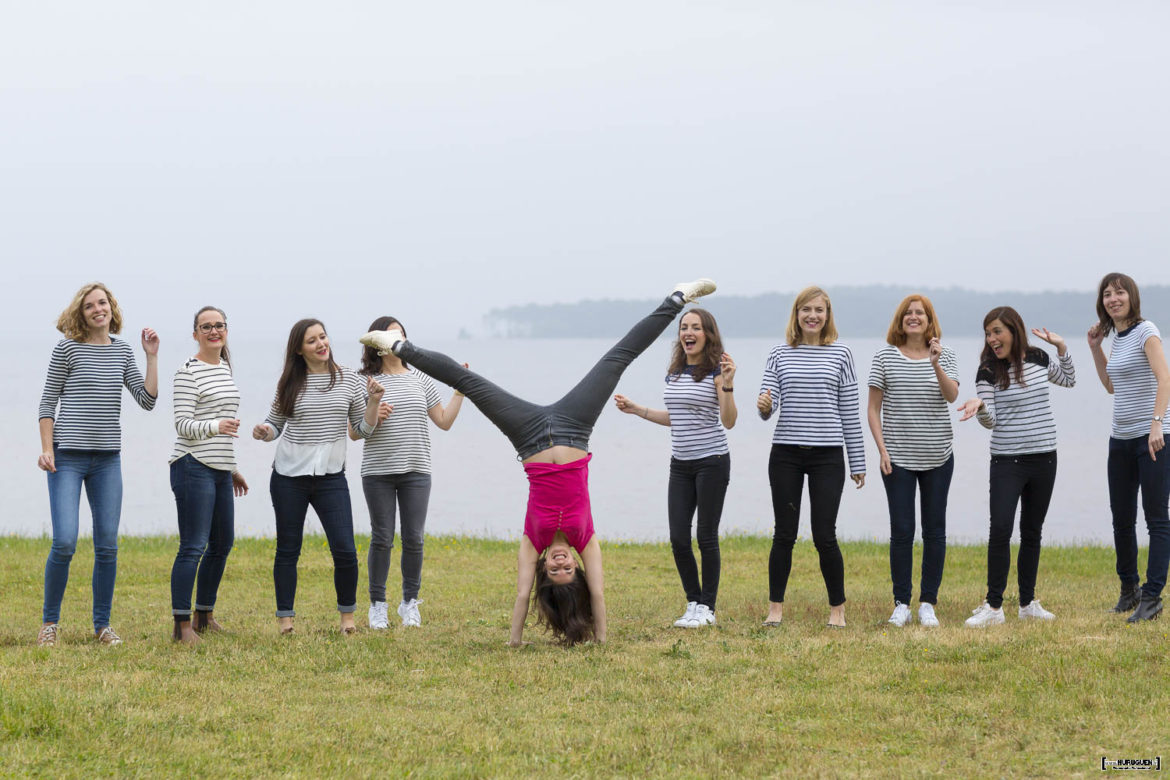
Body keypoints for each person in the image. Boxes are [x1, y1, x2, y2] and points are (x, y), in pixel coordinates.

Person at [360, 279, 716, 646]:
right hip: (576, 426)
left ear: (543, 570)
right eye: (567, 569)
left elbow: (519, 596)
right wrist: (601, 640)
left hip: (527, 434)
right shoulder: (586, 539)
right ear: (576, 569)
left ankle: (399, 346)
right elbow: (598, 595)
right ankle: (677, 298)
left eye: (554, 570)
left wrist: (515, 641)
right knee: (618, 357)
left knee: (468, 380)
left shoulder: (533, 542)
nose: (561, 562)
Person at [36, 282, 159, 647]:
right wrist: (48, 450)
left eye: (102, 303)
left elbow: (147, 400)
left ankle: (102, 626)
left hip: (107, 460)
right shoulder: (67, 349)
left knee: (107, 544)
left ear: (111, 308)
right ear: (81, 313)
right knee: (64, 542)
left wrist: (151, 356)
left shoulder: (122, 352)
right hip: (67, 458)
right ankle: (49, 625)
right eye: (89, 305)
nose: (97, 309)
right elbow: (46, 405)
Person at [252, 319, 385, 635]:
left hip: (330, 478)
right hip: (288, 477)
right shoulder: (289, 383)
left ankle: (348, 620)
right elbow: (275, 425)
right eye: (312, 341)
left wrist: (375, 402)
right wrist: (263, 432)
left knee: (344, 549)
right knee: (288, 549)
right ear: (299, 349)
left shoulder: (351, 381)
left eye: (323, 337)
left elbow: (362, 430)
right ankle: (286, 620)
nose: (321, 344)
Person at [613, 308, 736, 628]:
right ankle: (693, 602)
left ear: (708, 334)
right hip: (680, 465)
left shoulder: (716, 373)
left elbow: (729, 421)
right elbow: (676, 418)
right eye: (684, 327)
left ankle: (708, 607)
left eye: (695, 327)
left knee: (705, 536)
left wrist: (728, 385)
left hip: (712, 462)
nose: (688, 333)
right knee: (678, 538)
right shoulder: (675, 372)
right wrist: (637, 409)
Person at [756, 286, 865, 628]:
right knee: (784, 534)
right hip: (786, 454)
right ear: (797, 314)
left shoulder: (842, 354)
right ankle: (775, 610)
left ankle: (837, 610)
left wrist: (858, 462)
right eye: (806, 310)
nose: (812, 316)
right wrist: (764, 406)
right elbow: (766, 404)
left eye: (819, 310)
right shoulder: (779, 353)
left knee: (824, 535)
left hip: (828, 457)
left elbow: (850, 412)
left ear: (827, 315)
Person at [958, 307, 1074, 627]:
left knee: (1032, 531)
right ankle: (994, 607)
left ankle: (1027, 603)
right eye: (988, 333)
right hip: (1008, 461)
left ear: (1014, 330)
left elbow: (1069, 379)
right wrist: (980, 406)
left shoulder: (1037, 357)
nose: (992, 339)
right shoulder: (987, 372)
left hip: (1044, 458)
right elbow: (991, 421)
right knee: (1000, 530)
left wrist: (1061, 348)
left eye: (997, 331)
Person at [353, 316, 464, 629]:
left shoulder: (422, 380)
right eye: (390, 337)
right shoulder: (367, 382)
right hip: (378, 472)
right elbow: (356, 432)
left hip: (417, 470)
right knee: (382, 538)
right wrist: (374, 409)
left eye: (401, 336)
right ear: (376, 344)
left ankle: (409, 603)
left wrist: (460, 391)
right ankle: (377, 606)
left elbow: (443, 421)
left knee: (414, 539)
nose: (397, 342)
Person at [867, 294, 959, 627]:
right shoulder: (884, 356)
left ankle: (928, 604)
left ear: (930, 320)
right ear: (900, 320)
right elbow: (873, 409)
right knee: (902, 531)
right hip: (898, 459)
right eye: (908, 313)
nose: (914, 317)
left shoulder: (945, 355)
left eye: (920, 313)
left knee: (935, 531)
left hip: (938, 457)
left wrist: (935, 362)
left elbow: (952, 396)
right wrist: (882, 450)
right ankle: (901, 603)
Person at [1087, 273, 1170, 622]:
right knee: (1122, 519)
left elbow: (1165, 377)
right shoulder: (1116, 338)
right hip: (1119, 439)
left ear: (1131, 296)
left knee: (1156, 519)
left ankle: (1151, 598)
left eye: (1119, 292)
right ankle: (1129, 591)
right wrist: (1095, 348)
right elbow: (1110, 385)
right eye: (1107, 294)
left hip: (1152, 438)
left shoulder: (1145, 330)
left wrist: (1156, 423)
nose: (1113, 298)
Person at [168, 306, 249, 645]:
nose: (213, 331)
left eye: (219, 326)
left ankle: (205, 614)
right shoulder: (187, 372)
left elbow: (223, 421)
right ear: (195, 333)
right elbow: (183, 425)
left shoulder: (225, 368)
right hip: (191, 465)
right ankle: (181, 626)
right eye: (206, 327)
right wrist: (217, 427)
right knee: (193, 546)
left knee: (222, 544)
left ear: (226, 330)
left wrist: (231, 468)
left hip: (218, 469)